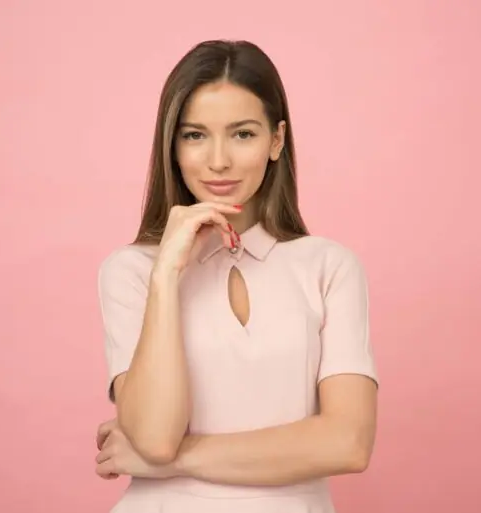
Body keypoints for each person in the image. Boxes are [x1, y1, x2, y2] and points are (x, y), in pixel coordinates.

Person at [93, 39, 378, 512]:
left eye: (243, 134)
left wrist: (174, 462)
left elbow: (347, 443)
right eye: (195, 135)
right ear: (172, 145)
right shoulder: (132, 272)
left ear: (277, 140)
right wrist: (166, 273)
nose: (218, 160)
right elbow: (155, 437)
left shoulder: (329, 267)